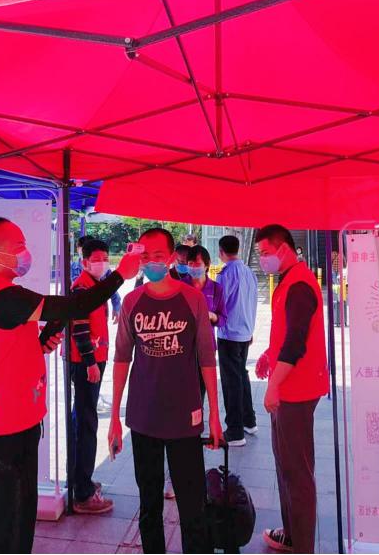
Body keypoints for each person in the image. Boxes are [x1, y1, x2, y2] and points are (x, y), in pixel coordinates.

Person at [0, 217, 140, 554]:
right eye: (18, 247)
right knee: (6, 523)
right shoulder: (2, 296)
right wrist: (120, 274)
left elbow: (16, 344)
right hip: (5, 425)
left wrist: (40, 343)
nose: (26, 253)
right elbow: (76, 305)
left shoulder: (3, 296)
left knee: (17, 515)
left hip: (18, 418)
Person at [109, 227, 222, 554]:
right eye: (144, 256)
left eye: (158, 256)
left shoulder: (192, 299)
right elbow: (121, 359)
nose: (150, 262)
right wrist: (115, 416)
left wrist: (215, 415)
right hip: (143, 418)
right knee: (149, 505)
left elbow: (207, 359)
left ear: (172, 258)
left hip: (184, 419)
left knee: (192, 505)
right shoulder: (132, 302)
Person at [254, 224, 329, 554]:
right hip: (290, 387)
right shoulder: (288, 281)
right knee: (286, 465)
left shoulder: (299, 284)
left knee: (296, 472)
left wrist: (274, 385)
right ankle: (293, 534)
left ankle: (303, 546)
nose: (262, 259)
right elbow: (287, 334)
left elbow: (297, 344)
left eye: (265, 252)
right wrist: (268, 356)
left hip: (296, 391)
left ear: (284, 249)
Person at [70, 239, 116, 514]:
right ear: (85, 262)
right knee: (86, 424)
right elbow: (79, 329)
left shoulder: (96, 285)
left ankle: (81, 481)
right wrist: (90, 363)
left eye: (105, 258)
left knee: (84, 420)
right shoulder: (81, 288)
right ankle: (83, 493)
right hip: (86, 363)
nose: (102, 263)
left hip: (95, 359)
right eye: (96, 259)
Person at [215, 235, 258, 447]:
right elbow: (253, 302)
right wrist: (251, 329)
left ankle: (235, 430)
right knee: (241, 376)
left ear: (221, 252)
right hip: (245, 332)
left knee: (231, 381)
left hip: (229, 334)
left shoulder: (225, 275)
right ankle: (249, 421)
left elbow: (219, 305)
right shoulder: (249, 272)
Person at [185, 244, 227, 402]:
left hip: (206, 347)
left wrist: (212, 316)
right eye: (190, 264)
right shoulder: (180, 286)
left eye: (197, 264)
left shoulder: (216, 289)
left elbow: (223, 319)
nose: (193, 267)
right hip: (182, 347)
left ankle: (199, 415)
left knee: (199, 392)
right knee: (182, 391)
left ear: (207, 265)